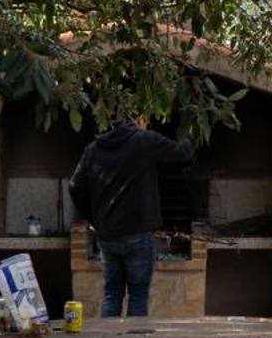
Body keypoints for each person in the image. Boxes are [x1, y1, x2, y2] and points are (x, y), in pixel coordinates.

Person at [68, 115, 195, 318]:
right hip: (138, 234)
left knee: (111, 293)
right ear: (137, 119)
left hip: (107, 236)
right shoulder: (143, 140)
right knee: (138, 295)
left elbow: (74, 186)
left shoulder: (93, 148)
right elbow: (182, 152)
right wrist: (190, 130)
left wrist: (94, 219)